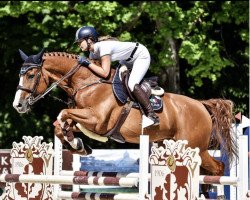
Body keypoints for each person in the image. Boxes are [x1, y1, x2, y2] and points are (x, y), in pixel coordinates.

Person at [75, 25, 159, 126]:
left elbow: (105, 73)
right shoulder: (92, 54)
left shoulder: (103, 47)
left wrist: (88, 63)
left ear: (89, 39)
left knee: (131, 83)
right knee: (119, 80)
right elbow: (96, 73)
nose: (79, 45)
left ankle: (152, 116)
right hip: (127, 60)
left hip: (140, 55)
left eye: (80, 41)